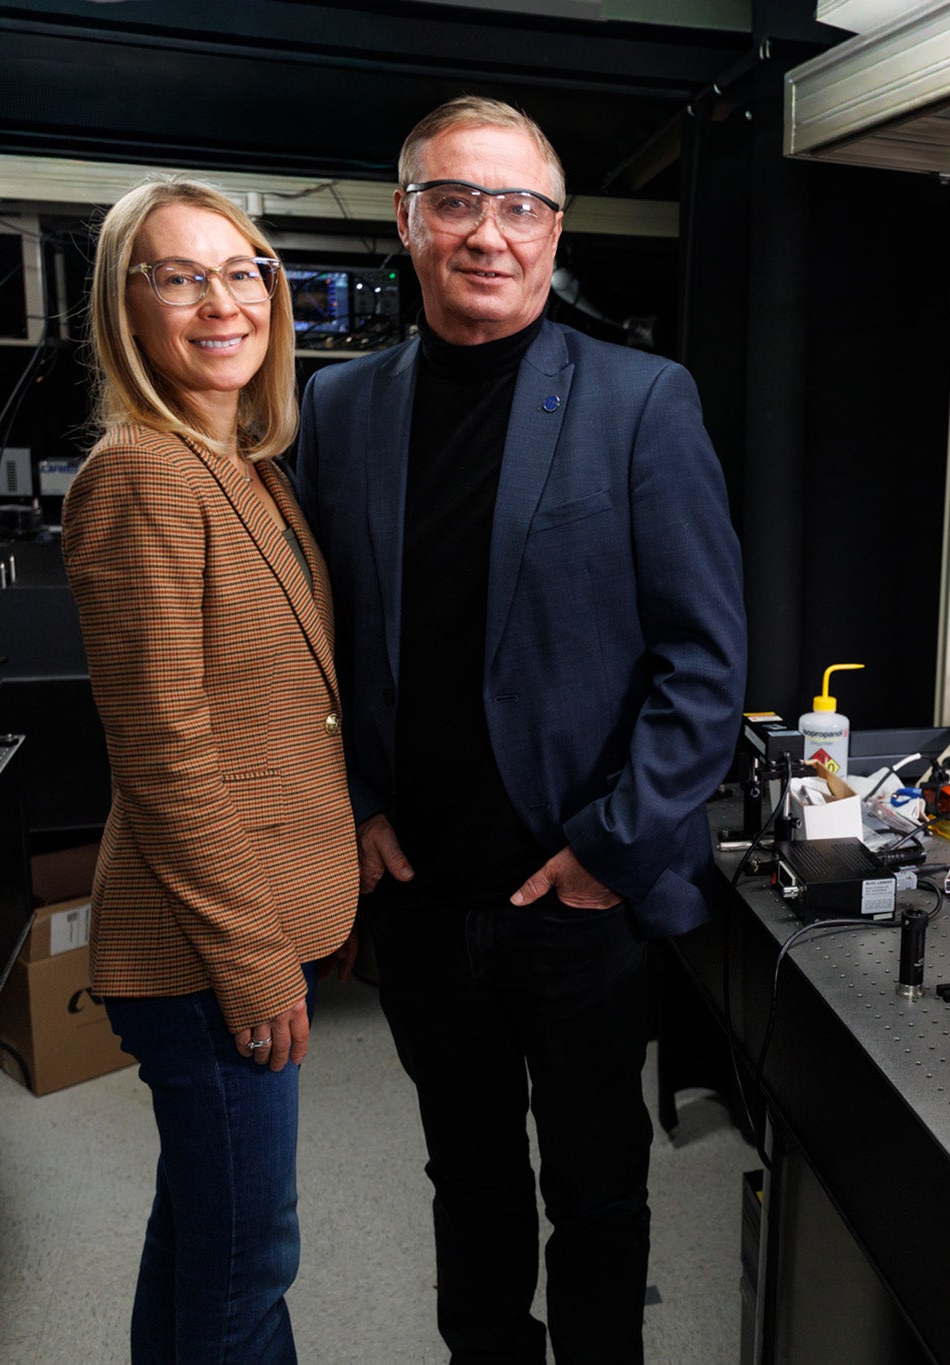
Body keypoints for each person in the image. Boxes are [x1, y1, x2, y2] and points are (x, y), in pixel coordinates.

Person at [294, 97, 746, 1363]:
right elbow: (313, 645)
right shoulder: (339, 410)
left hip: (575, 898)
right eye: (456, 201)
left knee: (596, 1193)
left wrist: (617, 847)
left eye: (519, 207)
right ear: (406, 222)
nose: (488, 234)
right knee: (468, 1181)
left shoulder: (642, 401)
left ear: (553, 229)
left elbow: (703, 664)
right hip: (423, 896)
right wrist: (355, 800)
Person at [63, 179, 359, 1364]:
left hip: (239, 928)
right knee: (249, 1269)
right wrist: (250, 963)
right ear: (125, 309)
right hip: (200, 953)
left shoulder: (244, 467)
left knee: (200, 1235)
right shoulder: (140, 474)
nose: (222, 301)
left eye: (243, 271)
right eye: (179, 276)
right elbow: (165, 753)